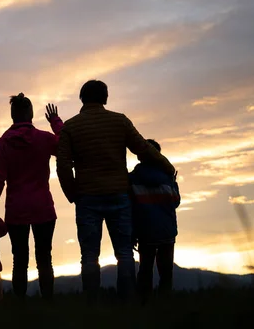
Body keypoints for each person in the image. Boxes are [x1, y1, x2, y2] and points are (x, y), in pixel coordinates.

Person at [56, 80, 175, 303]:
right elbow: (144, 148)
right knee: (125, 253)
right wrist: (167, 166)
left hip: (87, 197)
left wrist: (72, 194)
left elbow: (63, 166)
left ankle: (92, 303)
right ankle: (127, 301)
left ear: (82, 98)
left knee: (89, 255)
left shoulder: (71, 127)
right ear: (105, 97)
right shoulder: (119, 121)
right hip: (119, 195)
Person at [0, 93, 63, 300]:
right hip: (43, 206)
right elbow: (66, 146)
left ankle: (20, 304)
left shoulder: (3, 143)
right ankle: (48, 302)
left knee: (20, 259)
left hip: (16, 209)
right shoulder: (44, 138)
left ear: (12, 115)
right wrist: (55, 122)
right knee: (45, 258)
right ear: (31, 113)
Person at [129, 139, 180, 303]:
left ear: (139, 157)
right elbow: (176, 201)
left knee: (145, 269)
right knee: (166, 272)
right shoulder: (167, 178)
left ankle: (144, 304)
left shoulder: (132, 179)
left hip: (145, 232)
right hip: (167, 231)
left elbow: (129, 207)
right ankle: (165, 305)